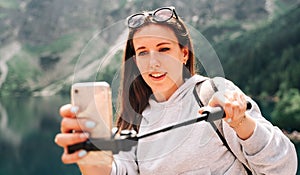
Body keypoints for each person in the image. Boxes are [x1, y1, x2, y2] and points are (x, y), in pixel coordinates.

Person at [55, 6, 297, 175]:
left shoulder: (214, 93)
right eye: (142, 53)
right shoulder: (134, 120)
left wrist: (241, 122)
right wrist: (91, 159)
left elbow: (284, 168)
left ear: (183, 54)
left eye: (163, 49)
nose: (153, 62)